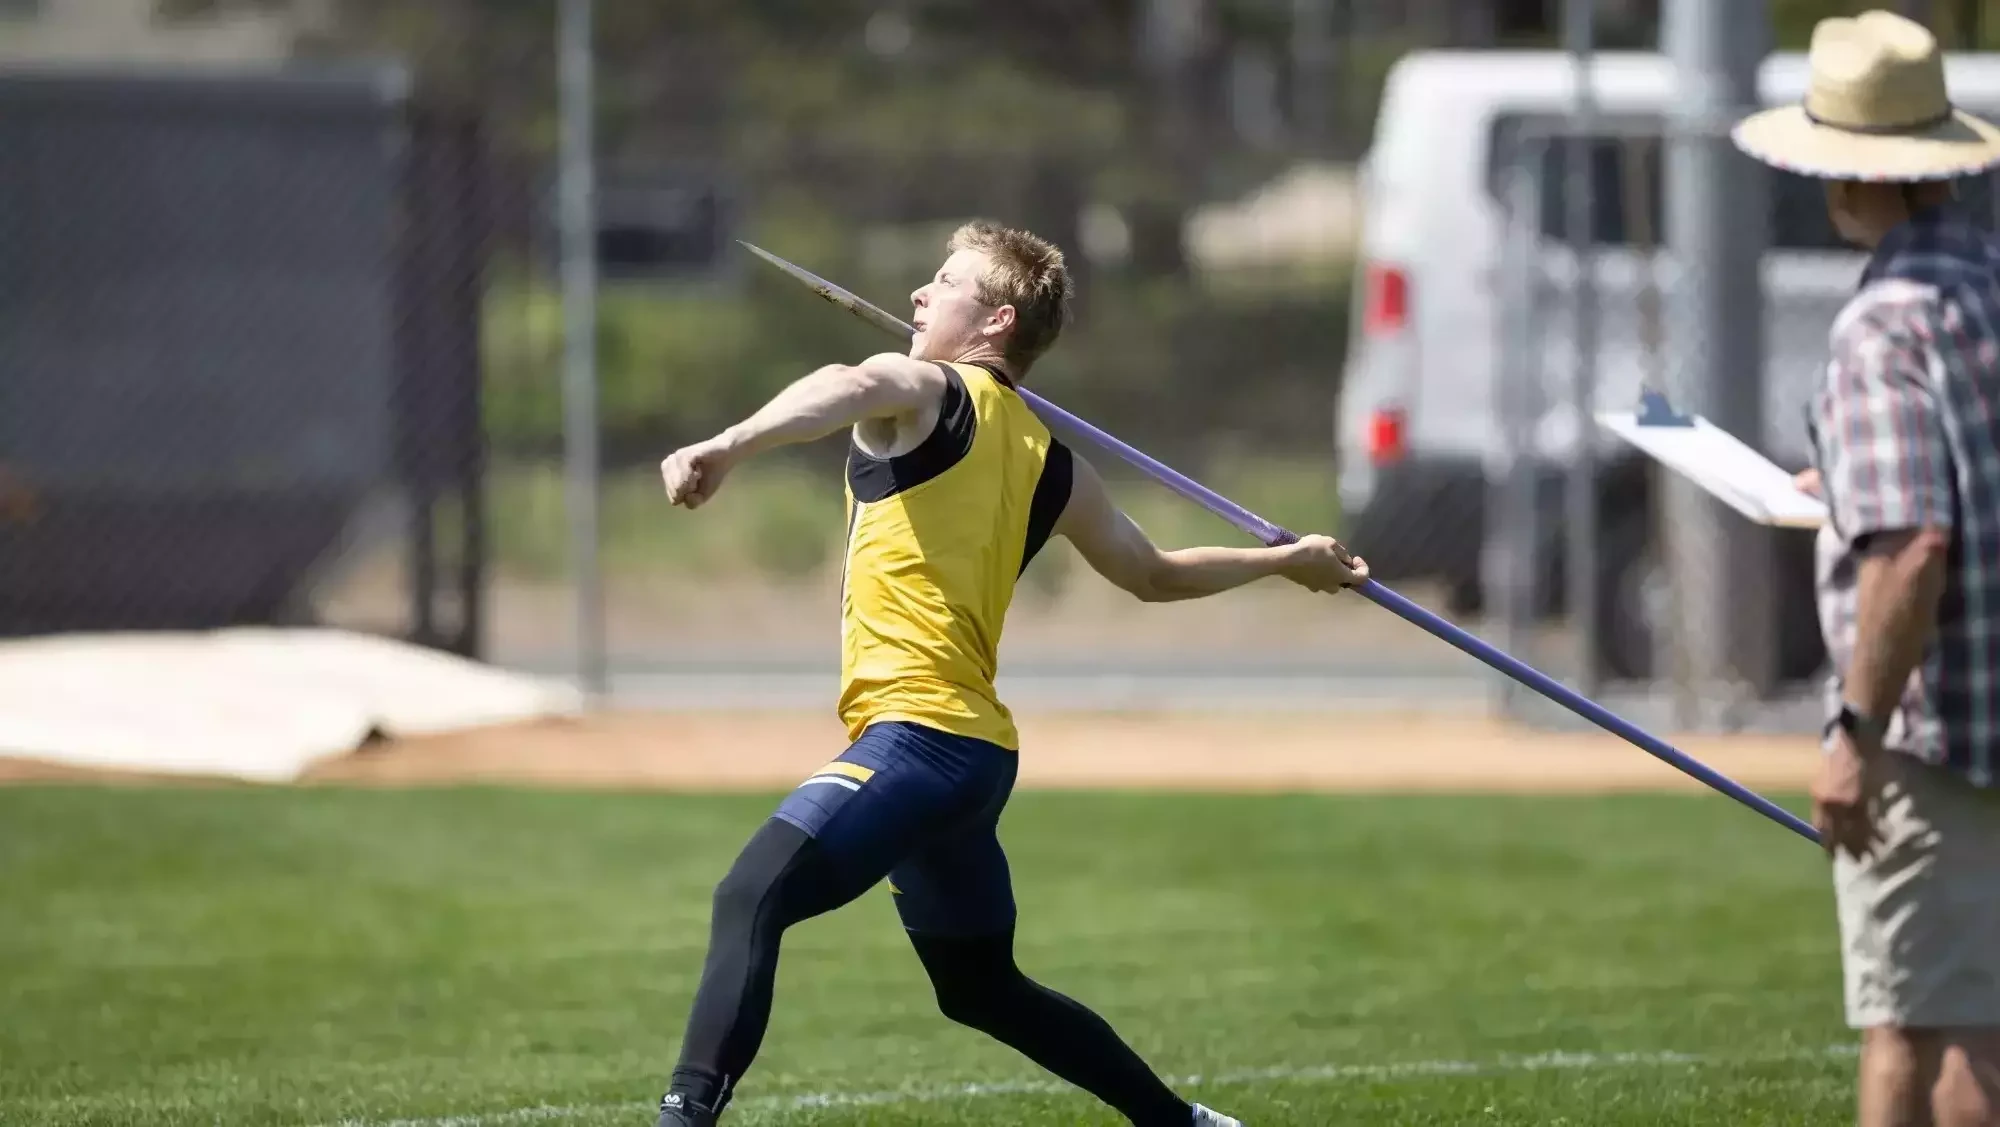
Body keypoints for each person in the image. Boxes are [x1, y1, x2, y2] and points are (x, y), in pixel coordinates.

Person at [651, 219, 1367, 1126]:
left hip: (917, 741)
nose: (918, 295)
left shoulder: (924, 392)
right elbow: (1151, 574)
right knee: (980, 987)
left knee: (749, 893)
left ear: (993, 321)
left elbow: (849, 382)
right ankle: (1180, 1122)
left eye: (942, 282)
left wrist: (727, 444)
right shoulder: (1051, 461)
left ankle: (681, 1116)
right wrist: (1281, 561)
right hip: (976, 758)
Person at [1734, 12, 2000, 1127]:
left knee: (1920, 1025)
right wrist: (1841, 485)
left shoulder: (1877, 327)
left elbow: (1912, 548)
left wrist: (1850, 729)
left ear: (1849, 179)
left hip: (1934, 734)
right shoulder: (1983, 284)